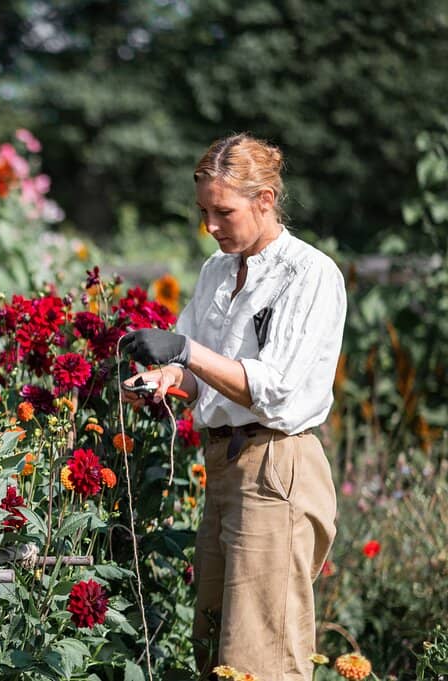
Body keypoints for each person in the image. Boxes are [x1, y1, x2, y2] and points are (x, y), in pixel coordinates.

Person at [118, 133, 346, 680]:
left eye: (223, 212)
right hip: (223, 467)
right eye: (204, 212)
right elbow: (200, 375)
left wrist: (187, 352)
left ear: (265, 200)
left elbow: (276, 389)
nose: (211, 226)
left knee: (261, 658)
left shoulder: (308, 274)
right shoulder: (216, 271)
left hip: (276, 466)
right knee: (215, 646)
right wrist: (163, 378)